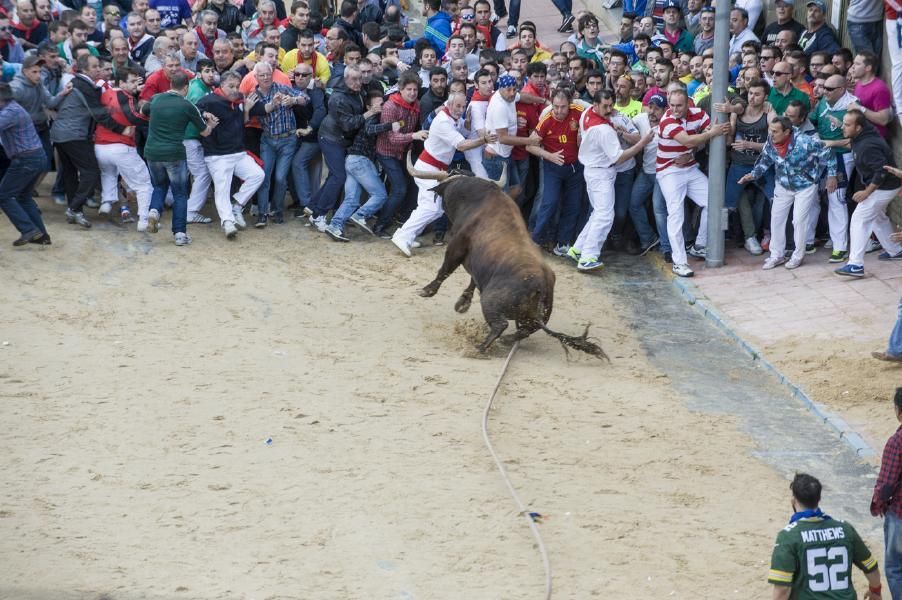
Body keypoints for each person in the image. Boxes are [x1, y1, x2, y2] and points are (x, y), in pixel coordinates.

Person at [391, 92, 496, 257]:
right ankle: (403, 236)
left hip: (436, 170)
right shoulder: (443, 121)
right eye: (457, 106)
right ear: (449, 105)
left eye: (463, 106)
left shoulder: (453, 118)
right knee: (432, 208)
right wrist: (483, 140)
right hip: (427, 169)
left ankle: (404, 235)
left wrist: (467, 123)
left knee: (430, 208)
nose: (460, 110)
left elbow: (463, 129)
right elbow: (461, 145)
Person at [568, 89, 652, 271]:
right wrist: (642, 143)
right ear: (596, 105)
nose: (608, 109)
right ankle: (588, 256)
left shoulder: (587, 114)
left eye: (610, 105)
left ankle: (577, 249)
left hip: (592, 170)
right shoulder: (604, 130)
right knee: (605, 215)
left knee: (598, 213)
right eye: (604, 106)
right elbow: (619, 158)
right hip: (601, 173)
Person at [739, 116, 837, 270]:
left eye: (775, 132)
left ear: (787, 132)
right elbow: (765, 161)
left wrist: (831, 175)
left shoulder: (806, 142)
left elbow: (829, 153)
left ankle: (798, 256)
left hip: (805, 186)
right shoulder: (770, 143)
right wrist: (753, 175)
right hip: (783, 185)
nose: (771, 134)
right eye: (770, 131)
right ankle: (776, 255)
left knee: (798, 220)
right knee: (776, 219)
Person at [770, 473, 883, 599]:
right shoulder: (845, 529)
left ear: (793, 500)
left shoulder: (788, 536)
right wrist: (875, 591)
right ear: (819, 499)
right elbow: (871, 568)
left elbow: (782, 589)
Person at [656, 88, 730, 277]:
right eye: (671, 105)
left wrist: (708, 135)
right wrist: (711, 133)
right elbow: (689, 140)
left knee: (714, 202)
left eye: (679, 105)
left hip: (689, 167)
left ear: (688, 103)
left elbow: (712, 131)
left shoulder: (698, 113)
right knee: (676, 214)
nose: (674, 109)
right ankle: (679, 262)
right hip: (669, 171)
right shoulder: (667, 120)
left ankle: (700, 245)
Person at [142, 71, 218, 245]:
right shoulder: (187, 106)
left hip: (152, 152)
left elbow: (143, 110)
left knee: (159, 186)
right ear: (186, 87)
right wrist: (211, 125)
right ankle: (180, 234)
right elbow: (204, 132)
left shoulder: (156, 99)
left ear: (170, 84)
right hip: (174, 153)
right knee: (180, 194)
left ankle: (154, 211)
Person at [832, 110, 902, 278]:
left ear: (859, 128)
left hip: (885, 187)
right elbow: (851, 143)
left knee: (859, 219)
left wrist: (866, 192)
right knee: (878, 218)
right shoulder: (861, 135)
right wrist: (831, 142)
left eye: (847, 125)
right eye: (844, 123)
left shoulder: (868, 145)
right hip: (885, 185)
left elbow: (881, 172)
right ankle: (896, 251)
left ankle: (855, 265)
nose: (844, 127)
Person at [528, 87, 584, 257]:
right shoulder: (546, 120)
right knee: (549, 203)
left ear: (570, 105)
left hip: (575, 167)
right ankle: (536, 240)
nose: (559, 111)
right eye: (556, 106)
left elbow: (595, 114)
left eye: (563, 107)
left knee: (573, 206)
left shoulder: (580, 111)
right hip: (553, 167)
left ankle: (562, 243)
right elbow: (529, 145)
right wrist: (549, 156)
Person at [94, 67, 153, 227]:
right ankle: (144, 220)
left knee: (108, 174)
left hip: (100, 146)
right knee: (144, 184)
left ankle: (106, 203)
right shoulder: (125, 97)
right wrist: (152, 119)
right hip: (120, 147)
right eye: (132, 81)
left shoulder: (103, 93)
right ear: (121, 83)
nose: (135, 85)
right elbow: (133, 116)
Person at [253, 61, 304, 226]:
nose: (266, 77)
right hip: (268, 140)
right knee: (264, 177)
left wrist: (294, 100)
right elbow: (256, 112)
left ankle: (277, 210)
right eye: (262, 75)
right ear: (256, 77)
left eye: (268, 74)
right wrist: (273, 104)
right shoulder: (254, 96)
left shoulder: (282, 87)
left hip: (288, 140)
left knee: (281, 178)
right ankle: (262, 213)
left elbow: (306, 98)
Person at [0, 82, 50, 246]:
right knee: (23, 197)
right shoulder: (12, 108)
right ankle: (41, 235)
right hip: (34, 158)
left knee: (4, 195)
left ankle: (28, 230)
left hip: (26, 160)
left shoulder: (9, 112)